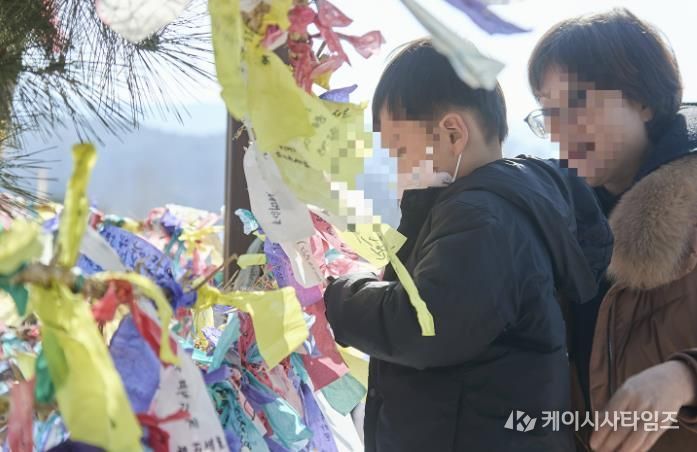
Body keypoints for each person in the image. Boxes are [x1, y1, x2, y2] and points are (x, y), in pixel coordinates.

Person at [323, 39, 612, 452]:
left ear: (453, 134)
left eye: (400, 150)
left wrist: (340, 296)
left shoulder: (484, 217)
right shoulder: (495, 208)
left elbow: (423, 325)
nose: (399, 167)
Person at [527, 8, 697, 452]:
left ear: (644, 100)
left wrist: (684, 378)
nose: (560, 128)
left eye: (578, 100)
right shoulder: (561, 224)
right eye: (548, 111)